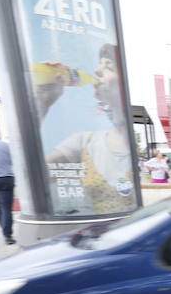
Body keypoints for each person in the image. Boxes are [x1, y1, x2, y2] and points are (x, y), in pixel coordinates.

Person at [33, 44, 137, 215]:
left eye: (108, 66)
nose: (97, 71)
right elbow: (32, 174)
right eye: (99, 65)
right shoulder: (83, 143)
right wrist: (42, 102)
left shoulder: (132, 145)